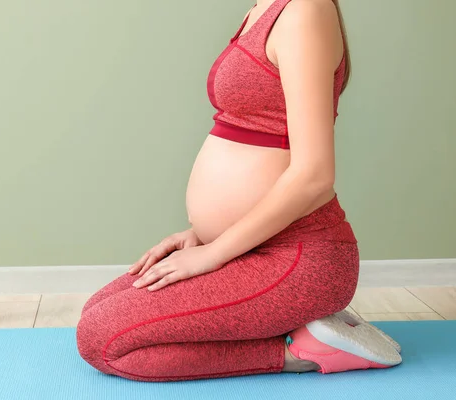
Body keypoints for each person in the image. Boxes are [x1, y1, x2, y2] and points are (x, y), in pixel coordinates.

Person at [76, 0, 402, 382]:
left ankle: (306, 351)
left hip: (298, 258)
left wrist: (214, 252)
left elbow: (314, 175)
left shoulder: (305, 10)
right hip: (248, 249)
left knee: (101, 339)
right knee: (96, 310)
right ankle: (305, 326)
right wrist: (203, 233)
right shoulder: (262, 8)